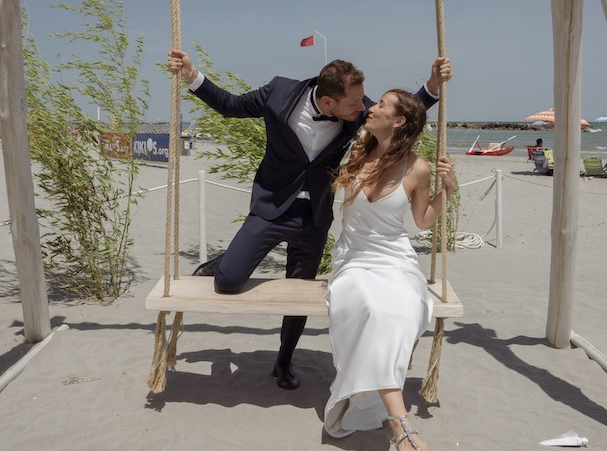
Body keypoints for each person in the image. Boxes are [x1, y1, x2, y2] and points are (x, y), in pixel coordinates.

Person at [168, 48, 452, 390]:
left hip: (315, 216)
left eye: (365, 102)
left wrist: (433, 85)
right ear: (329, 102)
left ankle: (284, 360)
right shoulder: (278, 93)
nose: (364, 108)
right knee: (227, 282)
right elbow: (229, 106)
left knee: (299, 295)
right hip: (272, 206)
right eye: (355, 104)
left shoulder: (357, 107)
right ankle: (226, 260)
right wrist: (191, 73)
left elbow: (403, 113)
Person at [323, 89, 457, 450]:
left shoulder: (418, 168)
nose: (372, 107)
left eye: (381, 104)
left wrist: (447, 190)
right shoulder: (357, 151)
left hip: (396, 259)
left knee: (402, 308)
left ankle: (396, 420)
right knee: (372, 307)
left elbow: (423, 221)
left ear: (398, 121)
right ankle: (400, 424)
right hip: (353, 260)